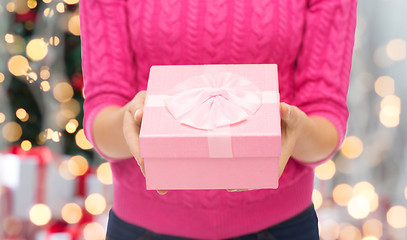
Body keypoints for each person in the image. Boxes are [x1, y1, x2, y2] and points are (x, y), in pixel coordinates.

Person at [79, 0, 357, 239]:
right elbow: (103, 112)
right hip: (143, 227)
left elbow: (325, 119)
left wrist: (295, 129)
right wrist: (130, 121)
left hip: (281, 226)